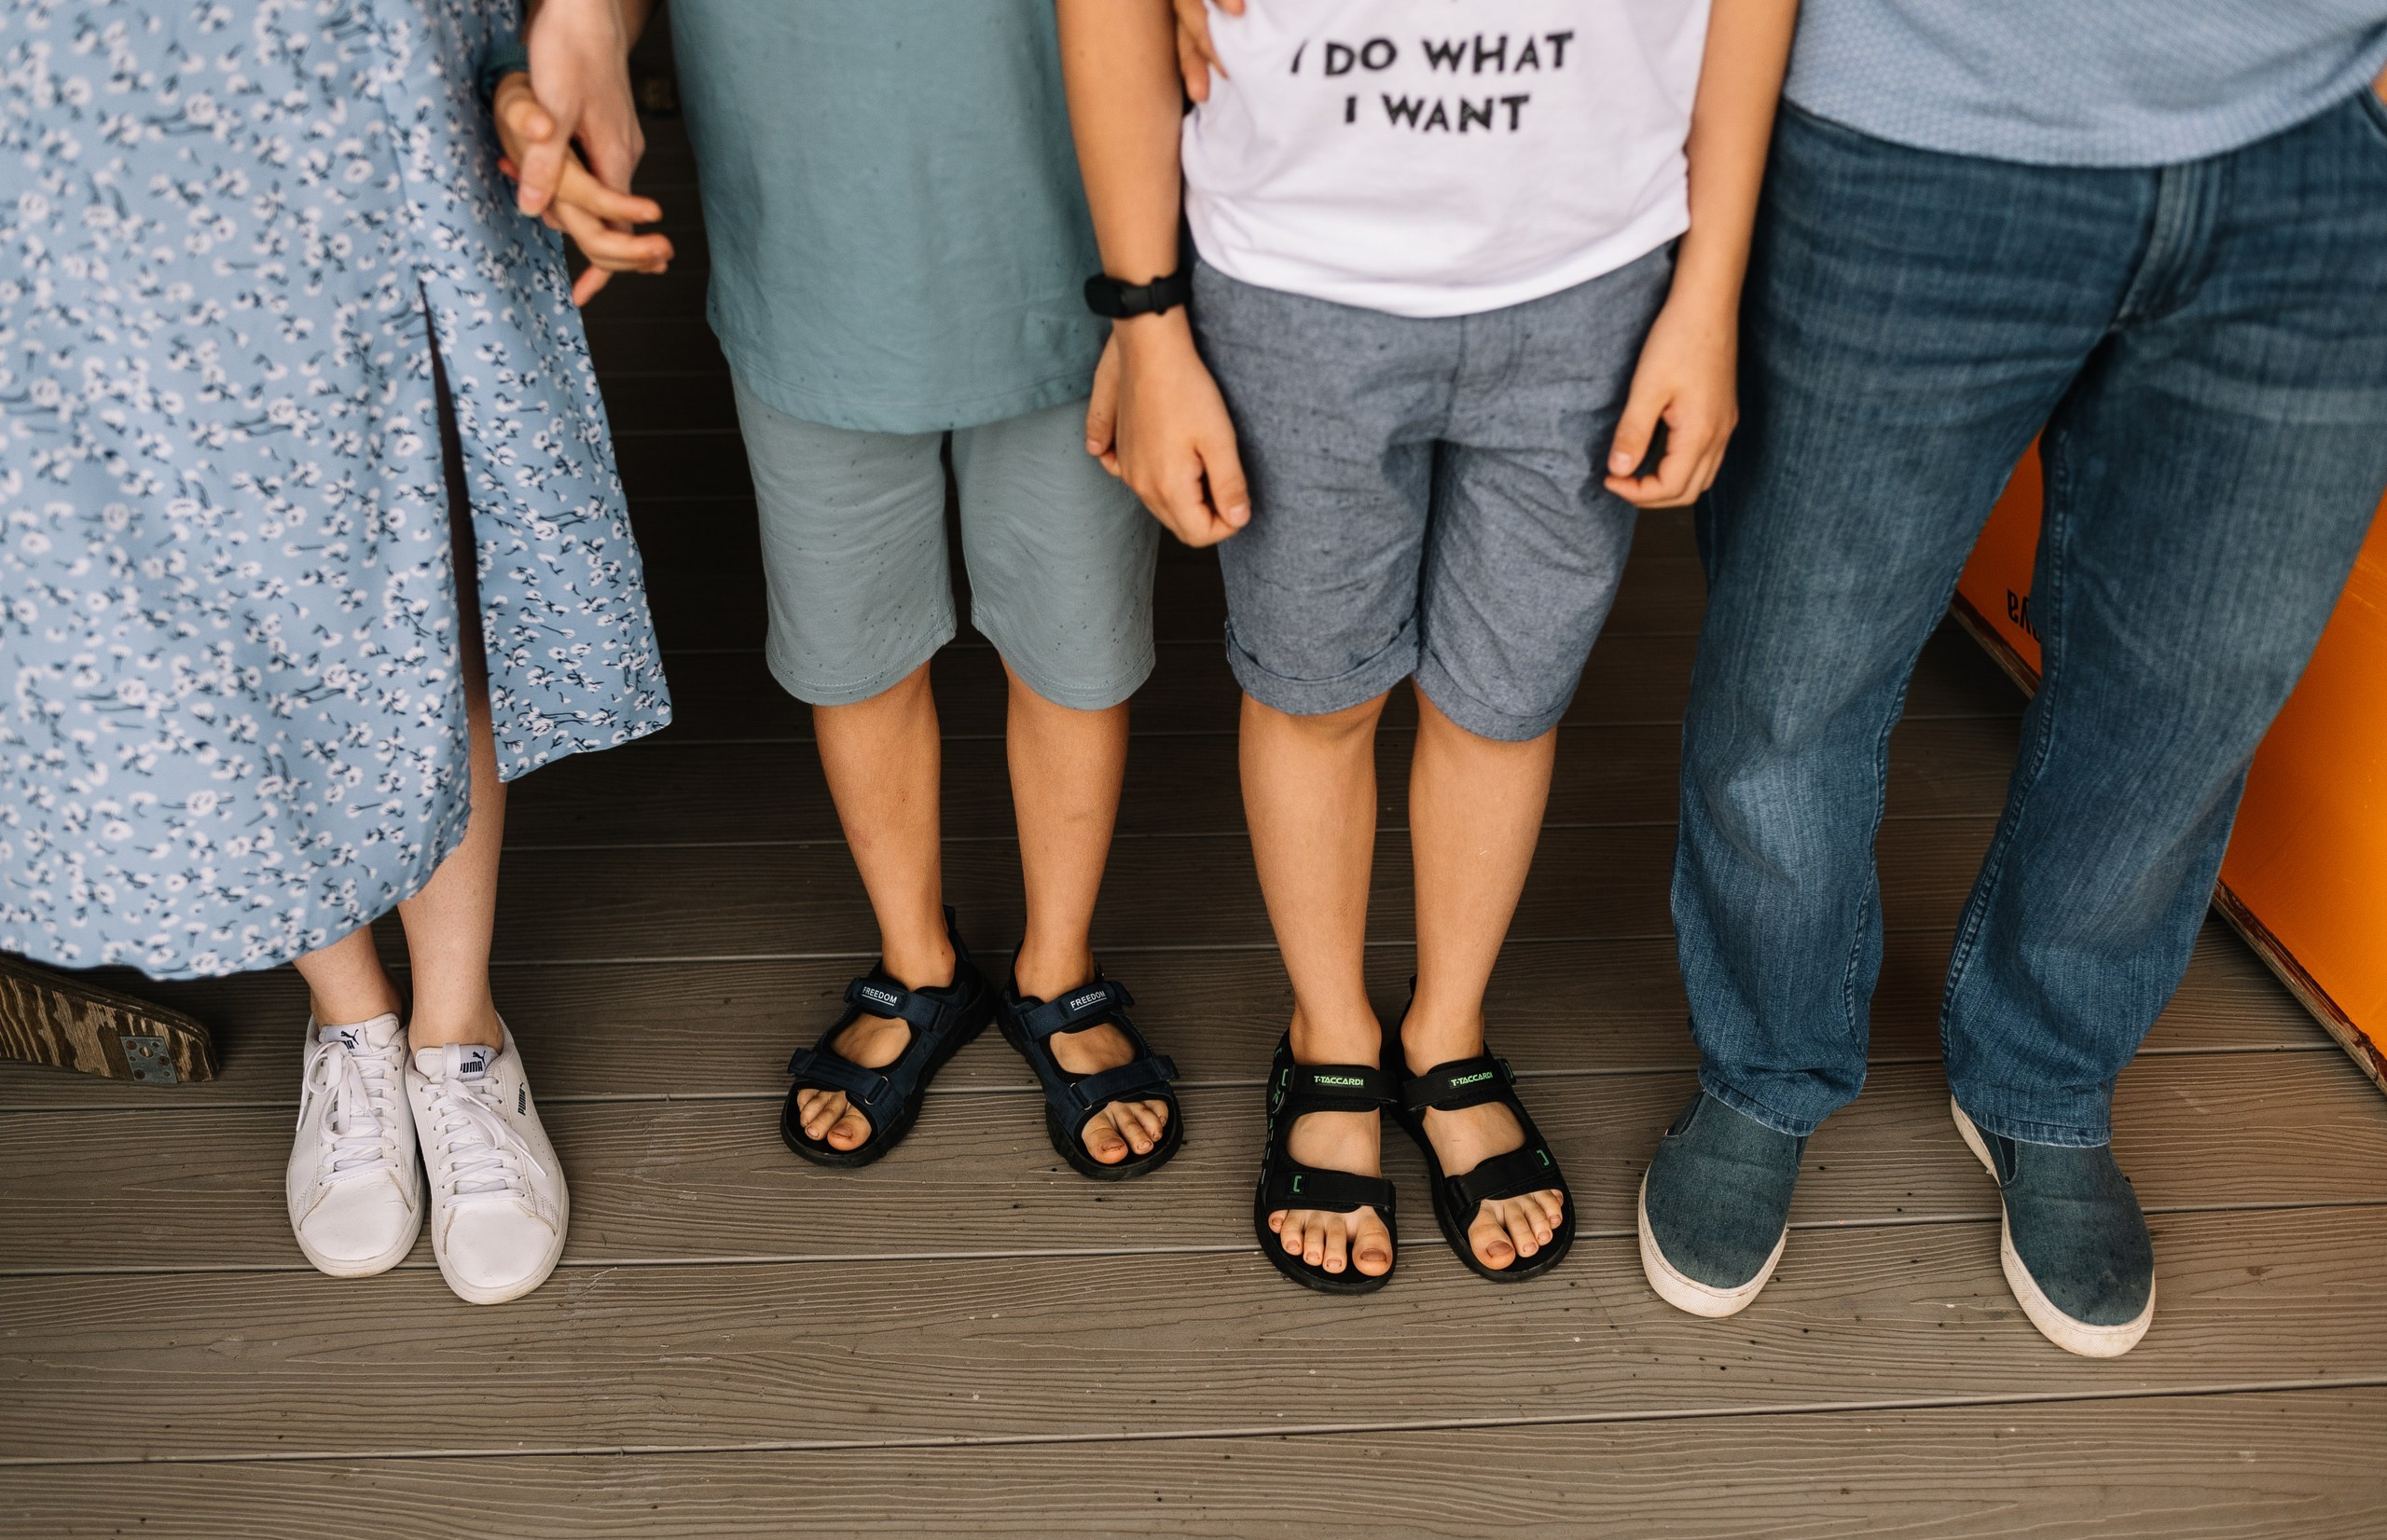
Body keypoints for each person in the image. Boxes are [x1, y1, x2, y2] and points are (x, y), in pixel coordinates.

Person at [1639, 2, 2387, 1356]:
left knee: (2194, 688)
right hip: (1910, 123)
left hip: (2314, 139)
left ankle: (2042, 1072)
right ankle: (1765, 1062)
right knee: (1793, 671)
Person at [1067, 0, 1798, 1290]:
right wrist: (1146, 319)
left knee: (1504, 700)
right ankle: (1332, 1030)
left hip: (1597, 272)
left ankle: (1446, 1024)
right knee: (1312, 691)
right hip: (1293, 279)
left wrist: (1711, 291)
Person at [0, 0, 673, 1305]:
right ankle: (351, 1011)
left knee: (412, 537)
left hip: (344, 80)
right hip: (67, 128)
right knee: (182, 582)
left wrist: (592, 15)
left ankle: (456, 1027)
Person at [531, 0, 1186, 1179]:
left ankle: (1057, 965)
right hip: (807, 245)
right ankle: (918, 960)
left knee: (1074, 645)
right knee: (854, 646)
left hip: (1077, 240)